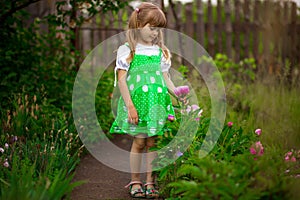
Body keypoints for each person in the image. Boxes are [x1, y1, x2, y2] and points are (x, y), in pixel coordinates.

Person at [109, 2, 178, 198]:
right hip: (138, 105)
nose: (155, 33)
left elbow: (166, 79)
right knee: (139, 143)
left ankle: (150, 182)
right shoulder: (129, 50)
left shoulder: (161, 52)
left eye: (159, 30)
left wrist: (178, 93)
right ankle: (135, 181)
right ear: (139, 25)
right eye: (152, 28)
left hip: (156, 105)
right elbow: (122, 80)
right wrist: (130, 106)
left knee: (153, 143)